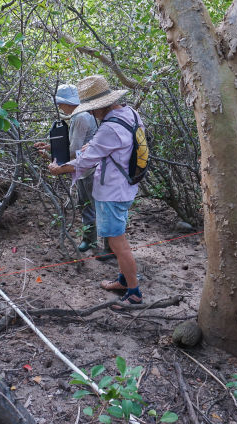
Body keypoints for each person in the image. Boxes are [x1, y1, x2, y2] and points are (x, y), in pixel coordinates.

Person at [47, 75, 144, 306]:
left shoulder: (109, 128)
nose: (90, 113)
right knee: (116, 238)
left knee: (118, 243)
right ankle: (123, 280)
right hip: (126, 186)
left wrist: (58, 169)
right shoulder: (129, 114)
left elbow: (85, 162)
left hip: (112, 192)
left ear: (101, 105)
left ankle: (134, 292)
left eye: (92, 109)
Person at [34, 84, 98, 252]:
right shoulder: (81, 115)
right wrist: (50, 147)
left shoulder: (80, 117)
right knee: (88, 205)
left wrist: (52, 159)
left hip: (89, 169)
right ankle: (92, 240)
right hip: (86, 169)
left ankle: (94, 242)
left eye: (60, 104)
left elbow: (73, 151)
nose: (60, 107)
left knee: (89, 206)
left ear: (68, 103)